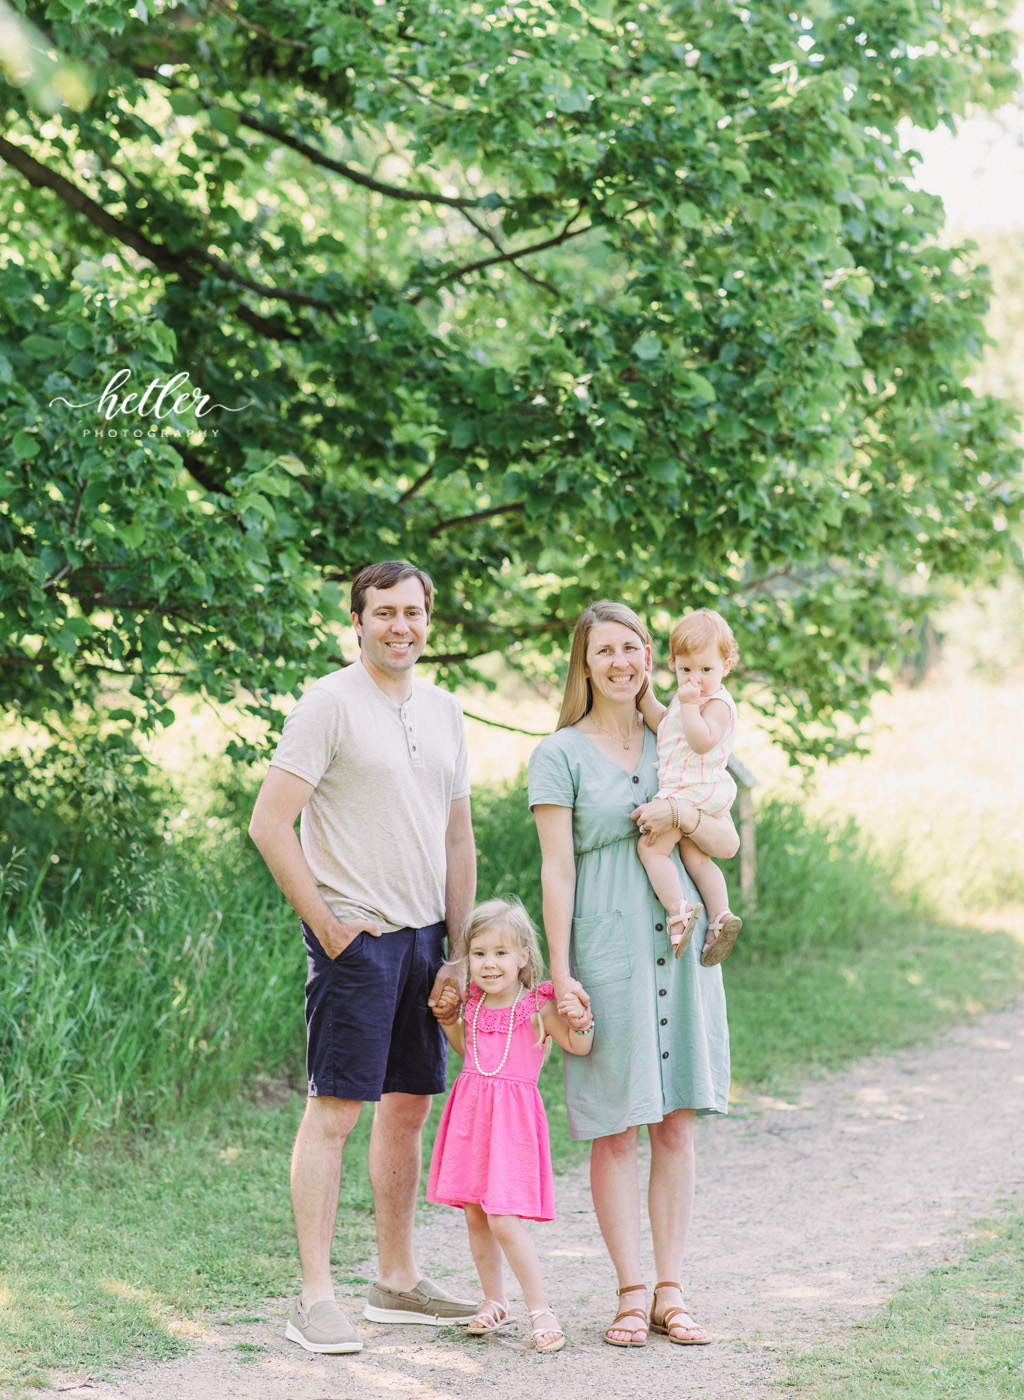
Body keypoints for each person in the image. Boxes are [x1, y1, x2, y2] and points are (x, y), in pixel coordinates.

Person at [248, 560, 478, 1355]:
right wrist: (329, 924)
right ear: (358, 620)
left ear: (428, 619)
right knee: (335, 1112)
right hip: (361, 941)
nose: (401, 626)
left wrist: (457, 945)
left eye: (413, 611)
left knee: (408, 1107)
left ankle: (396, 1281)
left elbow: (457, 837)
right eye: (384, 612)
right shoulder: (328, 703)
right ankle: (314, 1299)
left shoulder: (446, 711)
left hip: (425, 942)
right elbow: (269, 824)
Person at [528, 600, 737, 1349]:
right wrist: (559, 970)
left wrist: (676, 816)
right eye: (605, 651)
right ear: (584, 664)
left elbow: (726, 837)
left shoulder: (677, 736)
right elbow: (556, 870)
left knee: (676, 1125)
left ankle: (671, 1290)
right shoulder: (559, 754)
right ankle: (627, 1291)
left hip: (680, 953)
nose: (621, 662)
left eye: (633, 648)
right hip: (606, 948)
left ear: (650, 655)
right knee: (613, 1130)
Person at [426, 898, 593, 1352]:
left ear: (523, 956)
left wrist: (580, 1019)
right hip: (471, 1118)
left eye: (501, 953)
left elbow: (579, 1047)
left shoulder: (538, 1007)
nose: (489, 964)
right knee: (476, 1213)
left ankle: (541, 1308)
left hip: (512, 1125)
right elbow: (469, 1051)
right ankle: (494, 1300)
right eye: (478, 954)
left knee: (503, 1217)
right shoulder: (474, 1003)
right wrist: (446, 1021)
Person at [637, 608, 743, 965]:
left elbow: (701, 741)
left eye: (706, 670)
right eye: (686, 670)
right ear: (674, 665)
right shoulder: (688, 701)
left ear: (726, 667)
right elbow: (664, 725)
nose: (695, 679)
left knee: (651, 850)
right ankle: (721, 916)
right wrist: (643, 694)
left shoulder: (715, 704)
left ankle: (678, 911)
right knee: (696, 858)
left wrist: (688, 704)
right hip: (698, 792)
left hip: (691, 790)